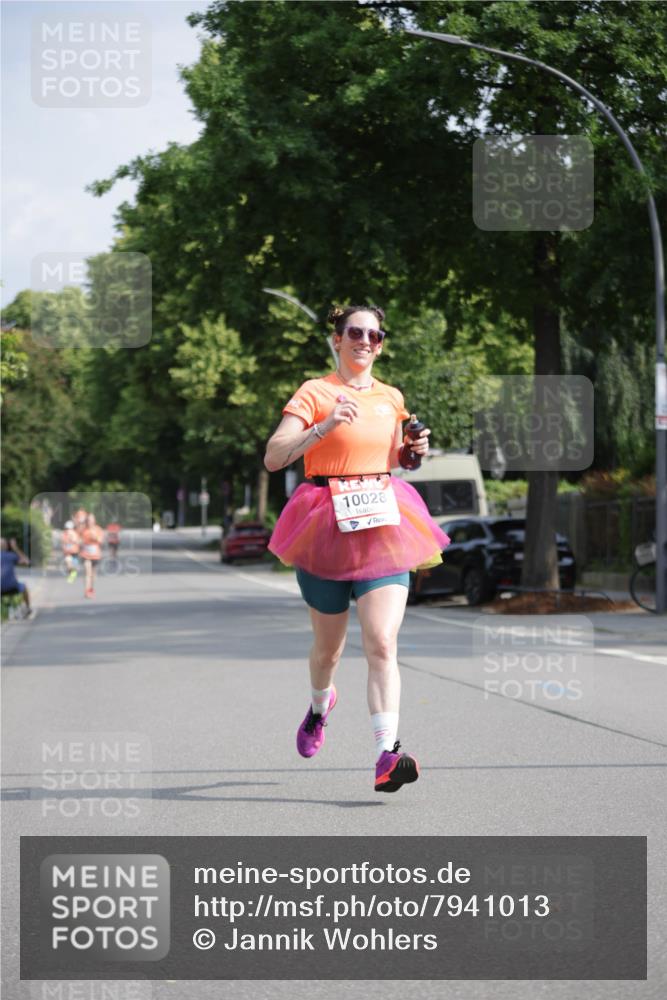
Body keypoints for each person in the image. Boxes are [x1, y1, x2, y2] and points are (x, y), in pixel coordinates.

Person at [265, 304, 450, 793]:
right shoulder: (315, 391)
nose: (365, 340)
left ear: (381, 343)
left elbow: (396, 458)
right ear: (337, 339)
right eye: (355, 332)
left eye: (375, 334)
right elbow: (273, 456)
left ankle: (386, 754)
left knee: (382, 643)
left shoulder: (392, 397)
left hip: (383, 524)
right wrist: (323, 426)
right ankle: (319, 707)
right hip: (324, 522)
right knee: (328, 651)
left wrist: (414, 452)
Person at [1, 537, 33, 618]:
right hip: (12, 587)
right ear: (7, 546)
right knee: (24, 587)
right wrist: (15, 548)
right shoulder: (11, 556)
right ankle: (28, 608)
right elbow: (27, 562)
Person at [79, 513, 105, 598]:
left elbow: (101, 541)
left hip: (95, 555)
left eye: (91, 520)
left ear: (94, 521)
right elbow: (78, 540)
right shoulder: (83, 530)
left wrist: (95, 538)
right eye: (88, 520)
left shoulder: (98, 529)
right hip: (85, 554)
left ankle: (91, 589)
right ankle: (86, 591)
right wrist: (81, 542)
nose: (90, 522)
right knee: (87, 572)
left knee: (93, 575)